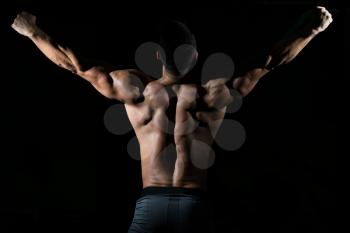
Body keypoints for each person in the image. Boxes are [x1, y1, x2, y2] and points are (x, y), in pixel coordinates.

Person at [11, 6, 332, 233]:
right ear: (194, 56)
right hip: (196, 208)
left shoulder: (133, 89)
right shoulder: (214, 93)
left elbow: (74, 65)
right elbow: (271, 60)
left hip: (149, 207)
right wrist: (309, 29)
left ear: (156, 55)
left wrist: (31, 31)